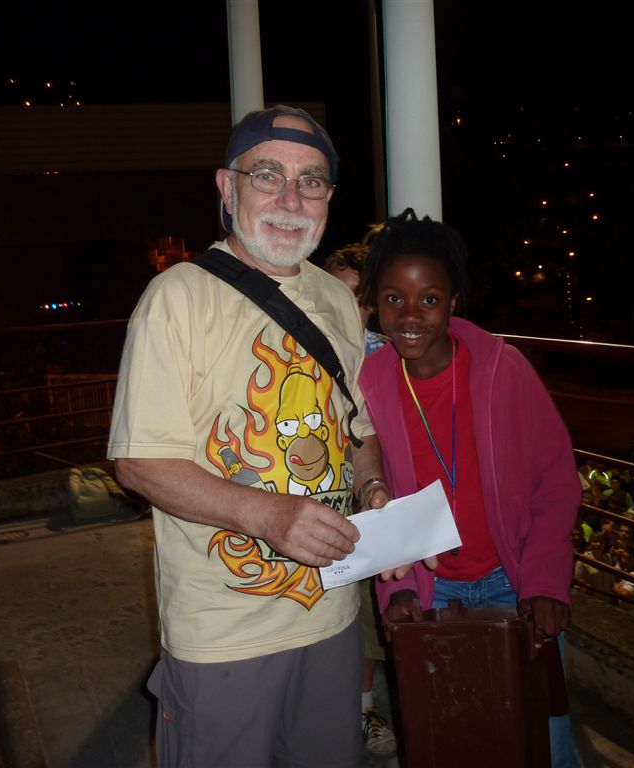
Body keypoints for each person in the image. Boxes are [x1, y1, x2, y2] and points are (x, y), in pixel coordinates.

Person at [108, 105, 390, 768]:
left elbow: (357, 429)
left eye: (310, 181)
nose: (290, 199)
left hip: (333, 612)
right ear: (227, 188)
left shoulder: (337, 299)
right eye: (267, 175)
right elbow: (139, 462)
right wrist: (269, 515)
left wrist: (374, 488)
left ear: (328, 198)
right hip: (224, 631)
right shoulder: (177, 297)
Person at [356, 210, 582, 767]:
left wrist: (545, 580)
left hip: (515, 581)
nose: (410, 315)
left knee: (545, 744)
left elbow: (555, 480)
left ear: (454, 300)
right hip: (432, 594)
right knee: (451, 741)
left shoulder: (505, 370)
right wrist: (397, 591)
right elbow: (379, 499)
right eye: (393, 299)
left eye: (429, 299)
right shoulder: (370, 386)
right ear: (375, 305)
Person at [322, 240, 397, 758]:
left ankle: (365, 707)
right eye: (335, 292)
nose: (345, 305)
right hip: (324, 496)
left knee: (377, 608)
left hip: (380, 496)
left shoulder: (388, 353)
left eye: (356, 295)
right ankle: (349, 706)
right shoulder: (298, 344)